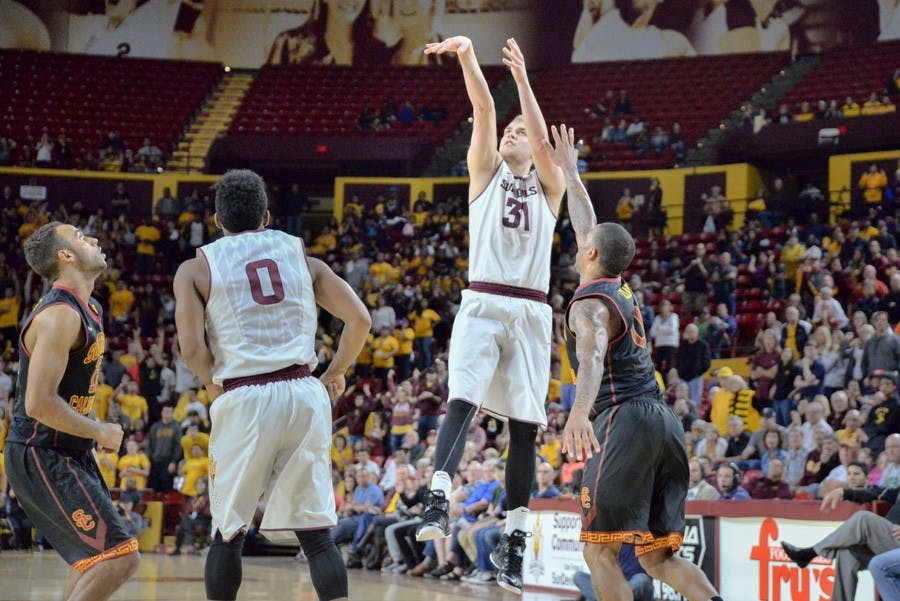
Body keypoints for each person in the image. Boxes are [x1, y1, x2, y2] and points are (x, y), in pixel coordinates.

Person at [173, 170, 371, 601]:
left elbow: (190, 346)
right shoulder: (303, 257)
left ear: (217, 220)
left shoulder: (195, 268)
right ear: (266, 216)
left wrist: (211, 384)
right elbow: (360, 319)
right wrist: (335, 372)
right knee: (317, 534)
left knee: (229, 531)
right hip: (303, 390)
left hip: (243, 395)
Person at [414, 36, 565, 596]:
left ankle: (516, 539)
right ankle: (437, 493)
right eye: (509, 130)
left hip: (530, 310)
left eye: (518, 131)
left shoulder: (552, 185)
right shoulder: (484, 171)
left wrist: (524, 80)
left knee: (524, 426)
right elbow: (482, 107)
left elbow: (543, 138)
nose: (509, 132)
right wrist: (468, 55)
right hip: (482, 299)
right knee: (463, 398)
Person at [544, 124, 721, 601]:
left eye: (585, 243)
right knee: (657, 557)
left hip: (624, 419)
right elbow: (588, 225)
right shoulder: (617, 285)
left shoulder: (588, 306)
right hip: (665, 422)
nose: (579, 242)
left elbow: (592, 354)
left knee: (599, 554)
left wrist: (579, 410)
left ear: (592, 254)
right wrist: (571, 173)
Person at [4, 222, 140, 600]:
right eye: (80, 238)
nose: (93, 240)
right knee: (120, 558)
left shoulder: (90, 307)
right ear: (65, 256)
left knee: (92, 561)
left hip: (67, 451)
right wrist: (98, 430)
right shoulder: (59, 316)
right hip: (41, 451)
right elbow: (38, 403)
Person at [782, 483, 900, 601]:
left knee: (864, 519)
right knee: (847, 552)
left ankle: (810, 553)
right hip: (889, 543)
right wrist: (844, 492)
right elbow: (877, 493)